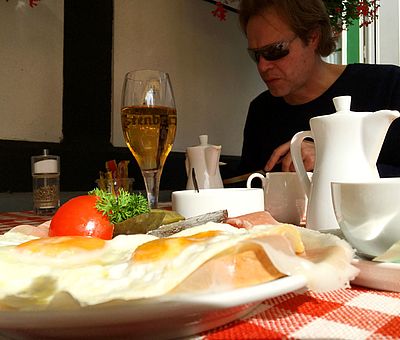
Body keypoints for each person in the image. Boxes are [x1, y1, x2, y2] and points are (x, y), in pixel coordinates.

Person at [238, 0, 400, 177]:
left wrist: (333, 159)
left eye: (276, 49)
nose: (263, 66)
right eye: (256, 55)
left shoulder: (388, 85)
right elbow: (251, 190)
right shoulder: (261, 111)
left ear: (313, 37)